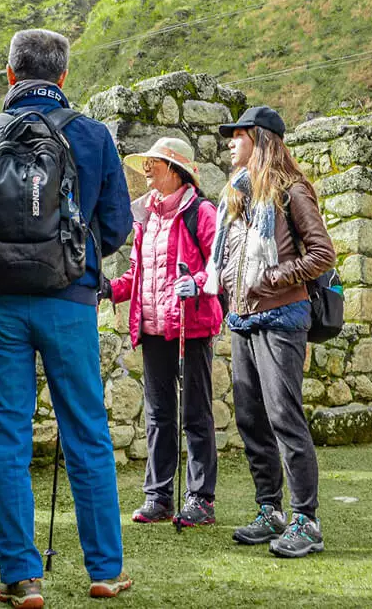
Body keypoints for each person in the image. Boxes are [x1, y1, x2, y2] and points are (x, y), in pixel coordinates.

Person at [0, 29, 134, 608]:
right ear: (62, 77)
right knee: (87, 431)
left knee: (7, 436)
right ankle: (103, 570)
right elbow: (120, 225)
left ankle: (22, 577)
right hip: (70, 299)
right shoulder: (92, 135)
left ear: (9, 75)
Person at [203, 106, 335, 559]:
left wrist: (275, 278)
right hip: (243, 319)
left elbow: (322, 254)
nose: (229, 143)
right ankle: (270, 511)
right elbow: (233, 261)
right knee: (251, 419)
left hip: (281, 317)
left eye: (236, 136)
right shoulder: (238, 197)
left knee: (284, 417)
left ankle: (306, 520)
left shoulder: (292, 191)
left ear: (259, 139)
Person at [102, 138, 223, 528]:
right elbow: (138, 274)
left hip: (192, 328)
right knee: (158, 416)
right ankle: (159, 497)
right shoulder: (147, 217)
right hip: (153, 328)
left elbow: (220, 264)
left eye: (153, 163)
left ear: (175, 169)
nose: (147, 170)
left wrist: (199, 281)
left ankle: (201, 499)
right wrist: (109, 289)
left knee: (196, 415)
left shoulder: (201, 212)